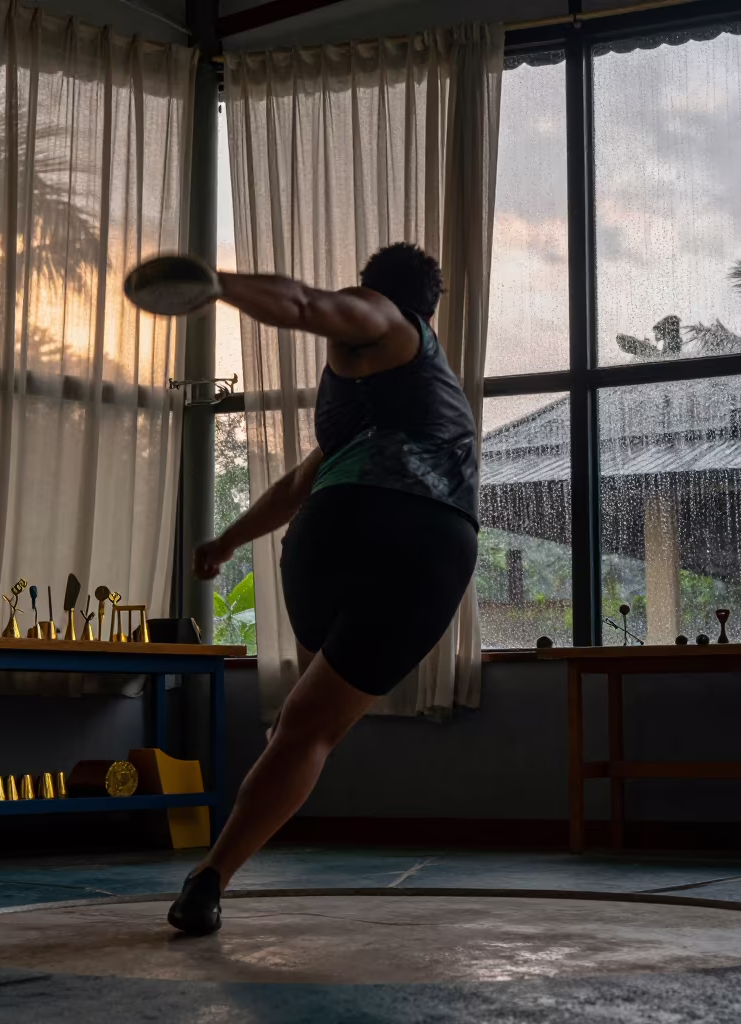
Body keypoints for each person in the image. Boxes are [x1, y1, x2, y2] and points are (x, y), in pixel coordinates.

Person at [167, 242, 479, 935]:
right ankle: (208, 877)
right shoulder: (394, 325)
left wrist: (225, 543)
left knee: (299, 730)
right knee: (310, 733)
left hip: (324, 536)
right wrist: (217, 283)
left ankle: (213, 874)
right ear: (429, 306)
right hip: (417, 544)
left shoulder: (369, 401)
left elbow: (295, 486)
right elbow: (309, 305)